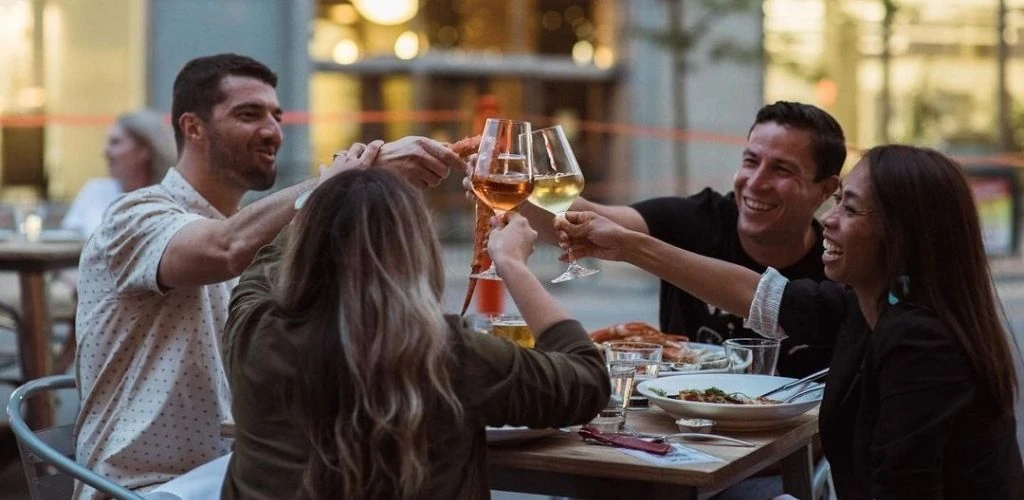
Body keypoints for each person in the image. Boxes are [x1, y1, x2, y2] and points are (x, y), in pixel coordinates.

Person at [73, 53, 465, 498]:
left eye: (277, 116)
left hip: (236, 477)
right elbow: (226, 248)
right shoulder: (135, 215)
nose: (272, 131)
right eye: (248, 114)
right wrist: (347, 180)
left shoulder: (262, 235)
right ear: (193, 127)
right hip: (140, 489)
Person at [557, 145, 1024, 499]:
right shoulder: (869, 307)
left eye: (850, 208)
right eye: (838, 202)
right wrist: (628, 247)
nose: (830, 220)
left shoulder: (923, 343)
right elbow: (755, 294)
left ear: (902, 235)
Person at [221, 167, 609, 499]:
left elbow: (265, 266)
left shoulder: (254, 331)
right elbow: (587, 379)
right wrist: (512, 264)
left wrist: (326, 189)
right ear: (416, 252)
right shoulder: (449, 354)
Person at [516, 101, 846, 378]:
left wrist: (633, 248)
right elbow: (582, 219)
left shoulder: (840, 266)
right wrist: (515, 185)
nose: (756, 182)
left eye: (782, 170)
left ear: (826, 190)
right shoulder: (698, 217)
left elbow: (765, 298)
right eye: (750, 161)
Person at [61, 109, 177, 238]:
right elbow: (70, 241)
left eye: (115, 142)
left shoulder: (169, 198)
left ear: (145, 150)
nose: (106, 152)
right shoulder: (95, 191)